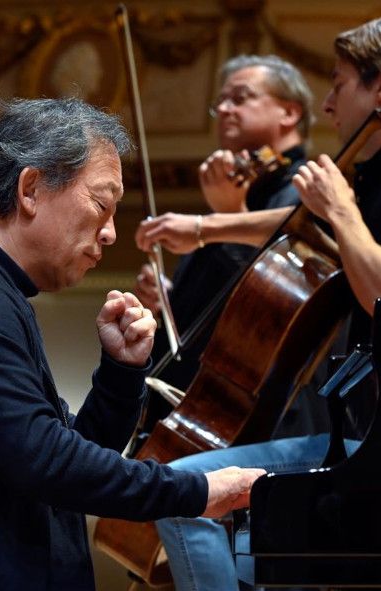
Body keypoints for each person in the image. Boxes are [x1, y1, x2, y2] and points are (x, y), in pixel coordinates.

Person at [0, 97, 265, 591]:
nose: (110, 233)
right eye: (101, 204)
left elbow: (63, 466)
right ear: (30, 189)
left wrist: (121, 371)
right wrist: (197, 491)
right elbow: (46, 462)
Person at [136, 17, 381, 591]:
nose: (326, 105)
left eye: (339, 84)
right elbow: (296, 223)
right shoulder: (376, 180)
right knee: (217, 514)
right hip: (363, 437)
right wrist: (201, 227)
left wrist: (343, 213)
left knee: (180, 489)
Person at [132, 54, 314, 403]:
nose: (226, 109)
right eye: (222, 103)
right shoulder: (239, 186)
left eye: (241, 98)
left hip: (252, 404)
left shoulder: (307, 189)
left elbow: (276, 303)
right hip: (186, 393)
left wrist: (228, 215)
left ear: (289, 113)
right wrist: (166, 301)